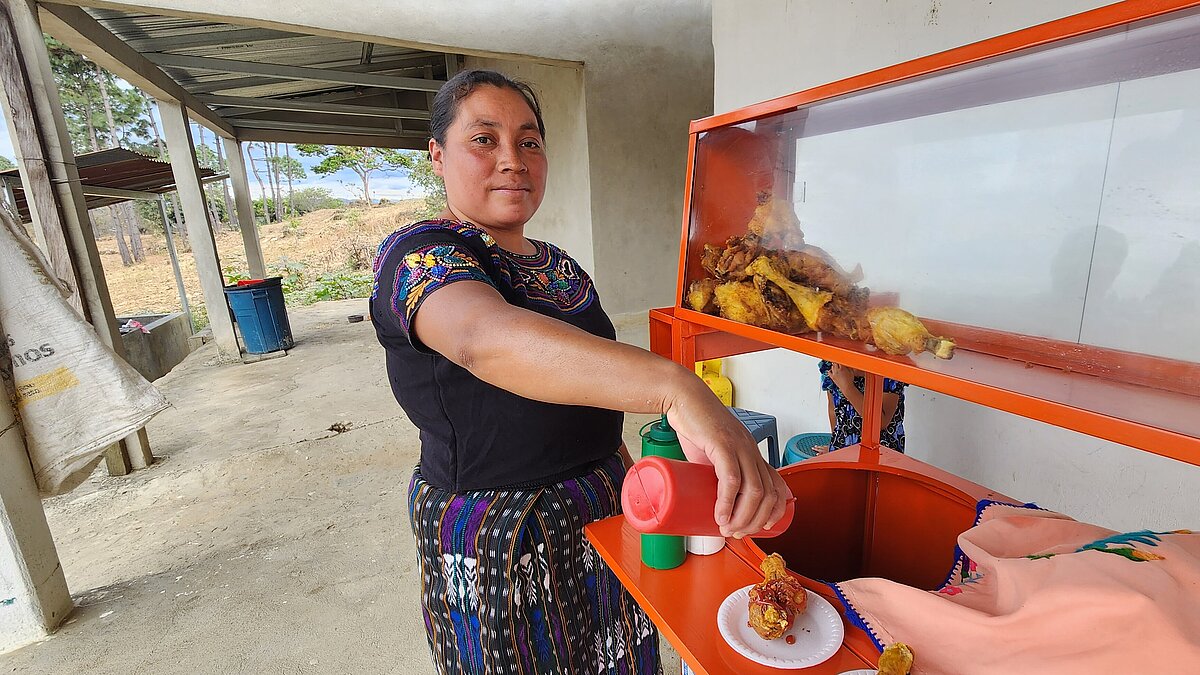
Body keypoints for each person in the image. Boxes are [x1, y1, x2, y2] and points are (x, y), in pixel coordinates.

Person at [370, 69, 789, 675]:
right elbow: (480, 338)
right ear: (438, 156)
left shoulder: (561, 269)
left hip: (605, 507)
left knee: (617, 656)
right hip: (501, 531)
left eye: (530, 141)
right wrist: (676, 386)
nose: (512, 160)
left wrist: (649, 482)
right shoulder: (418, 254)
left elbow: (587, 385)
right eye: (484, 139)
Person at [818, 360, 907, 452]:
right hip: (843, 449)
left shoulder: (886, 369)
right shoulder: (833, 366)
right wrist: (834, 445)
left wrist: (847, 387)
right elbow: (833, 410)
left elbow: (880, 422)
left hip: (880, 453)